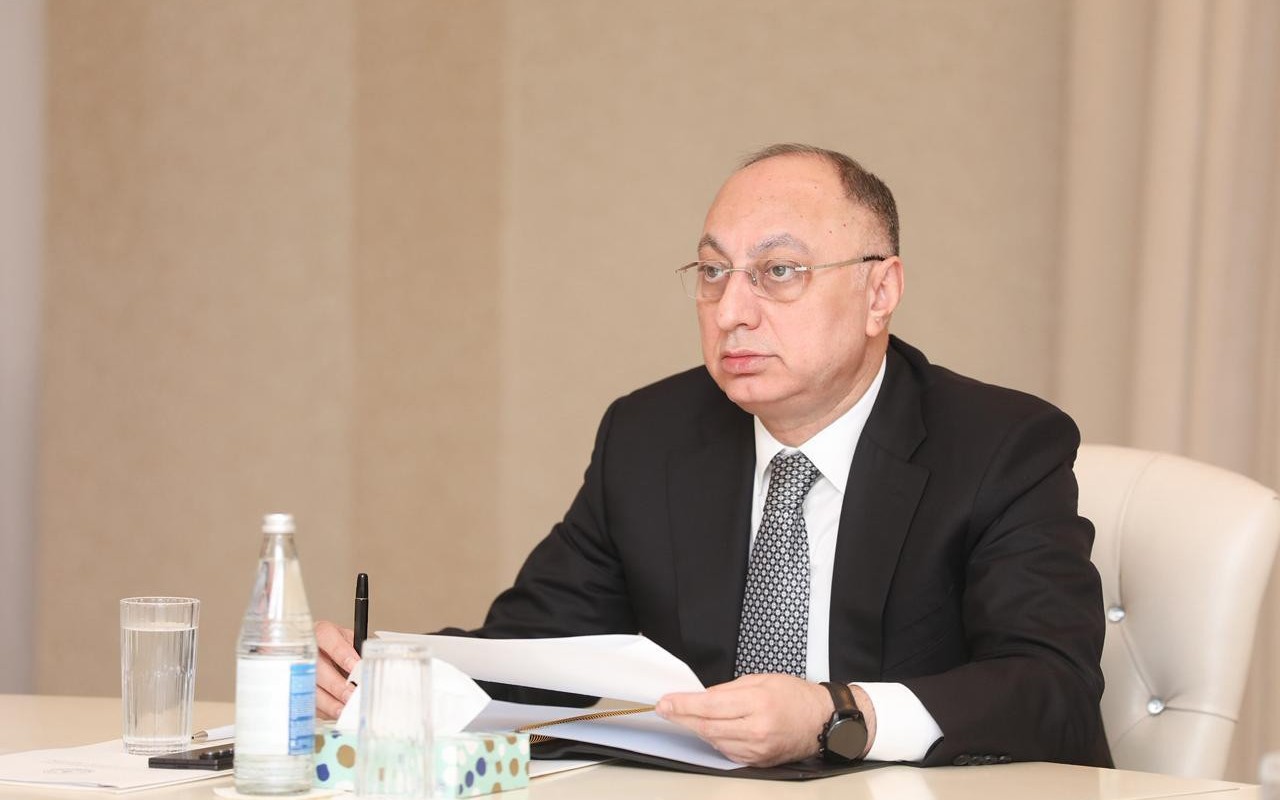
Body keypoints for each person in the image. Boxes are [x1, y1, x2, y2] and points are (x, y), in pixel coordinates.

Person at [315, 143, 1112, 769]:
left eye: (779, 273)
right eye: (712, 273)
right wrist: (386, 678)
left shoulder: (1001, 445)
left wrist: (837, 714)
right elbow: (539, 650)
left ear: (880, 292)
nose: (731, 310)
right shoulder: (650, 436)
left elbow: (1051, 690)